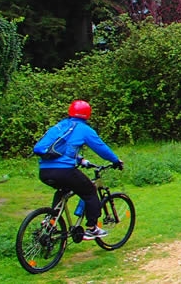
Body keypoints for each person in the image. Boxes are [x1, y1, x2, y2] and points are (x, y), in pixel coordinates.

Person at [35, 100, 123, 240]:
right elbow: (101, 148)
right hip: (64, 171)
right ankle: (92, 228)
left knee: (62, 191)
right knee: (90, 192)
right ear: (87, 115)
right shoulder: (84, 129)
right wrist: (115, 160)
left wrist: (80, 160)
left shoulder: (60, 126)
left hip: (44, 170)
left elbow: (61, 150)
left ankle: (50, 221)